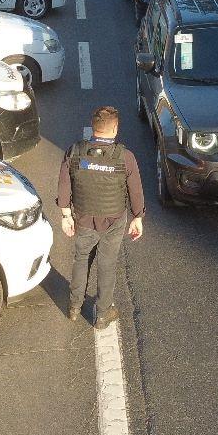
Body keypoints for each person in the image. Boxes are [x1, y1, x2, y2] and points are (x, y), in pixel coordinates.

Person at [57, 106, 146, 329]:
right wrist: (138, 217)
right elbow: (135, 190)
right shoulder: (125, 157)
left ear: (93, 127)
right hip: (113, 220)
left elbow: (64, 183)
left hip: (84, 218)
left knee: (81, 259)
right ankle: (103, 314)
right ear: (115, 128)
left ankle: (74, 307)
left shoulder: (75, 151)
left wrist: (66, 214)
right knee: (107, 265)